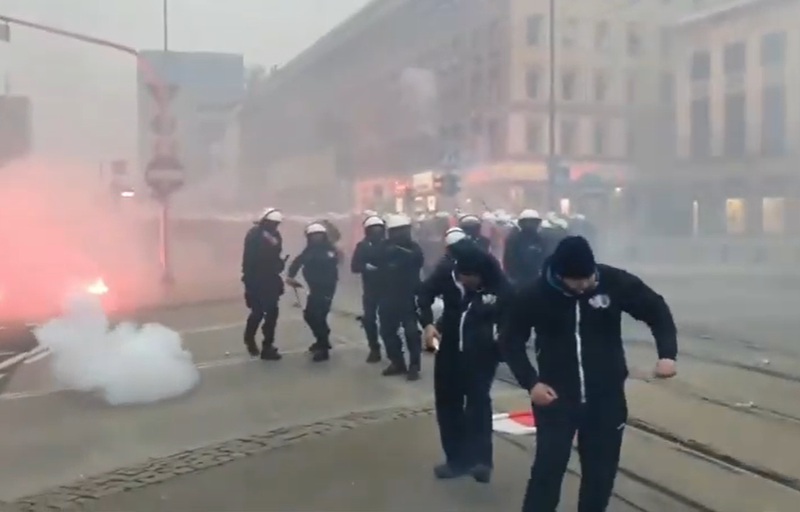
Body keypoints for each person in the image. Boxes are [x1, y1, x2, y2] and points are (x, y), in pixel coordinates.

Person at [499, 236, 678, 512]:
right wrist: (531, 383)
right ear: (559, 275)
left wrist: (667, 353)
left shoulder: (613, 282)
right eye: (576, 281)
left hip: (606, 399)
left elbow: (656, 308)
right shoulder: (534, 294)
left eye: (588, 278)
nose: (584, 285)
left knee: (600, 474)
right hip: (555, 398)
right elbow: (510, 340)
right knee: (549, 468)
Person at [417, 238, 510, 483]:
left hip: (482, 354)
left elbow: (512, 314)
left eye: (471, 277)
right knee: (448, 404)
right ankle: (456, 460)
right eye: (462, 275)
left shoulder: (498, 284)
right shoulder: (447, 273)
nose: (465, 281)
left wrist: (501, 343)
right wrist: (427, 324)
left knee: (478, 404)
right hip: (448, 350)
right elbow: (423, 294)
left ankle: (481, 461)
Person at [377, 213, 425, 380]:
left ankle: (414, 365)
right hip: (387, 296)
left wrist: (401, 253)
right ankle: (397, 362)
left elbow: (418, 260)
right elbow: (377, 264)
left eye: (403, 231)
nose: (400, 234)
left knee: (411, 332)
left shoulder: (413, 247)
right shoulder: (384, 247)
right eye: (396, 231)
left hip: (408, 295)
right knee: (387, 332)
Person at [286, 222, 340, 362]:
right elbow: (298, 262)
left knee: (318, 316)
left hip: (326, 290)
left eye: (319, 236)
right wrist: (290, 276)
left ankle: (323, 348)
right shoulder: (309, 250)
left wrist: (327, 295)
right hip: (314, 290)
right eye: (313, 236)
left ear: (324, 237)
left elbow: (328, 267)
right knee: (310, 316)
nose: (316, 238)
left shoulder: (329, 252)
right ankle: (322, 340)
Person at [241, 207, 286, 360]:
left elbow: (276, 254)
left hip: (271, 279)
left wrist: (279, 264)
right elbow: (250, 259)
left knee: (272, 312)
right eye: (271, 223)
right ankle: (249, 338)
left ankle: (268, 346)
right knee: (257, 312)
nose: (274, 226)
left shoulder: (275, 235)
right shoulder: (254, 235)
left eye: (276, 224)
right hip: (255, 279)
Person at [350, 215, 386, 363]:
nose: (376, 232)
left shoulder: (389, 244)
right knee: (369, 320)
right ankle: (374, 348)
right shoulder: (362, 246)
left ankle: (393, 351)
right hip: (370, 289)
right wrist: (365, 267)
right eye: (374, 229)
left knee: (388, 322)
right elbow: (355, 266)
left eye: (379, 229)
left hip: (387, 288)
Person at [503, 209, 546, 288]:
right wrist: (513, 276)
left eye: (533, 222)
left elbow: (545, 256)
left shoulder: (541, 239)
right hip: (519, 279)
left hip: (536, 278)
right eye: (528, 222)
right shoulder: (514, 239)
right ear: (521, 223)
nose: (530, 225)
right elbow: (508, 259)